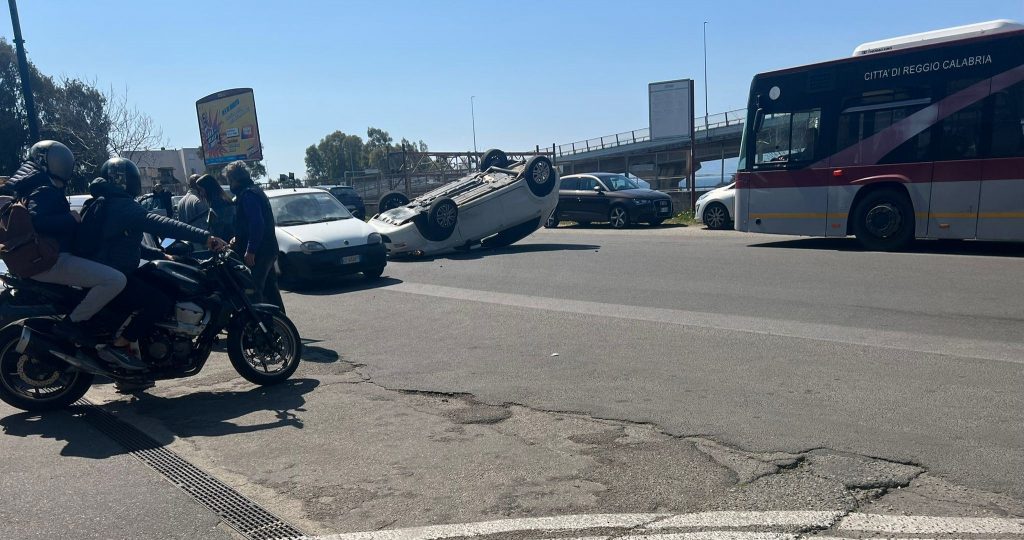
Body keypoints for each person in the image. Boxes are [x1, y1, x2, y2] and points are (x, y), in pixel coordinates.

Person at [82, 157, 227, 369]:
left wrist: (159, 254)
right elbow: (159, 223)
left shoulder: (110, 201)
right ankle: (119, 346)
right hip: (116, 274)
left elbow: (126, 244)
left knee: (154, 287)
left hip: (114, 270)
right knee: (159, 301)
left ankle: (134, 362)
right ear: (123, 181)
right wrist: (206, 237)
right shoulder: (121, 205)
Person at [2, 141, 127, 345]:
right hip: (53, 260)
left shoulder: (30, 187)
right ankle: (72, 325)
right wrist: (72, 219)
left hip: (41, 260)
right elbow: (37, 220)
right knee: (115, 280)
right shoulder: (44, 189)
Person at [223, 160, 283, 312]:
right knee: (270, 290)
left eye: (229, 180)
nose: (229, 184)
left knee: (253, 291)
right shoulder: (254, 191)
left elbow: (257, 223)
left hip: (260, 252)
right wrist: (238, 238)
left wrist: (251, 250)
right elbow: (250, 224)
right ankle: (280, 325)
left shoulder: (248, 195)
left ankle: (261, 328)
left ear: (234, 179)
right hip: (267, 249)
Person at [196, 173, 235, 240]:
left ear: (208, 188)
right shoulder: (222, 199)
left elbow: (221, 227)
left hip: (225, 242)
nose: (200, 193)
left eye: (201, 190)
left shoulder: (218, 203)